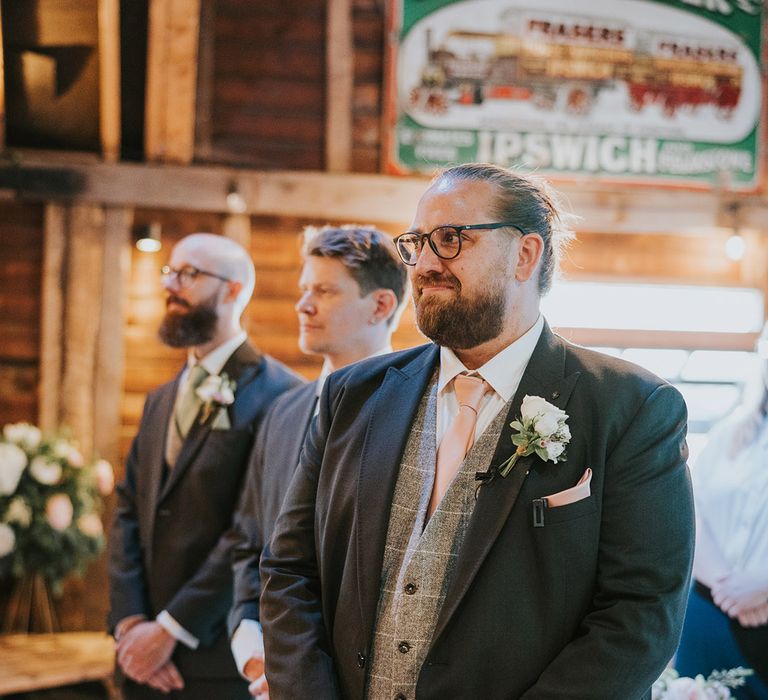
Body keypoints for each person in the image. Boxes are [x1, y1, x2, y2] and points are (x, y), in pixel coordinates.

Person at [259, 163, 696, 699]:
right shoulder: (352, 396)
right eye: (417, 243)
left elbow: (639, 616)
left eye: (450, 240)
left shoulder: (633, 409)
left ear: (525, 255)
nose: (423, 264)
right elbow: (289, 569)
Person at [108, 233, 302, 699]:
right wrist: (131, 622)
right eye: (169, 273)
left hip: (215, 659)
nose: (171, 286)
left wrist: (171, 629)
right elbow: (129, 506)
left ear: (234, 290)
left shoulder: (281, 394)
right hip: (140, 657)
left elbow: (252, 528)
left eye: (189, 274)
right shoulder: (159, 399)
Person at [228, 225, 408, 697]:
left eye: (324, 291)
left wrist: (302, 671)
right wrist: (253, 647)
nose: (303, 305)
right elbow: (250, 540)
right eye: (304, 290)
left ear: (381, 306)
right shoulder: (283, 412)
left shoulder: (415, 417)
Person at [676, 325, 768, 699]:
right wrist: (728, 586)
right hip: (710, 606)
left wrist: (762, 585)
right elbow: (690, 510)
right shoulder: (730, 434)